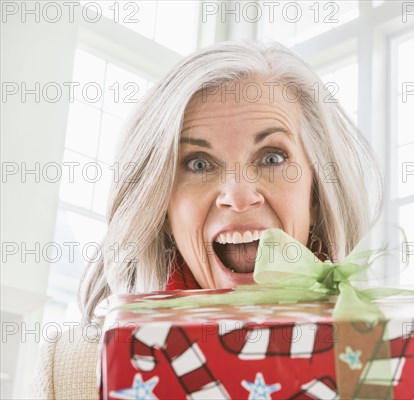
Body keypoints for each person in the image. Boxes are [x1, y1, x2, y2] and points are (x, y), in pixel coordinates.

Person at [31, 41, 382, 399]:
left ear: (316, 194)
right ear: (162, 206)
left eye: (272, 158)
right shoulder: (74, 368)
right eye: (198, 163)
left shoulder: (387, 358)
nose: (239, 196)